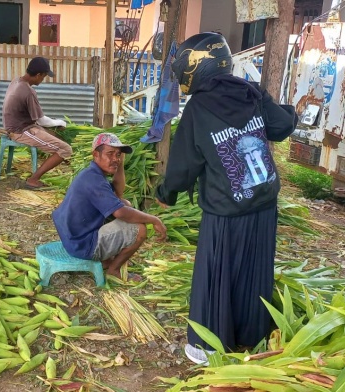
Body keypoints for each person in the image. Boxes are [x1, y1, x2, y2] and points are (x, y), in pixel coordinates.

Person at [154, 33, 298, 365]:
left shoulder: (199, 108)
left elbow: (183, 164)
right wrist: (278, 107)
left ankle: (207, 347)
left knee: (215, 275)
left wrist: (167, 194)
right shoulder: (250, 92)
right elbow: (280, 126)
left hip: (226, 209)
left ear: (196, 70)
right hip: (263, 202)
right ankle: (252, 335)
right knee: (254, 270)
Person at [52, 133, 167, 280]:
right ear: (96, 154)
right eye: (110, 154)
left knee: (126, 204)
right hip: (82, 245)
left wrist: (119, 164)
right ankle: (113, 270)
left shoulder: (93, 173)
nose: (115, 159)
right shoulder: (94, 180)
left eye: (118, 155)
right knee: (139, 229)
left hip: (74, 237)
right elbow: (120, 212)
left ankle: (106, 260)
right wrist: (154, 220)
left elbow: (118, 194)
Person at [2, 56, 73, 189]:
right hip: (20, 131)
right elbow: (41, 120)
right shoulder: (28, 91)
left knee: (55, 135)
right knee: (65, 149)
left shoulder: (17, 81)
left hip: (20, 125)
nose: (43, 79)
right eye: (44, 76)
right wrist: (60, 122)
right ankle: (33, 180)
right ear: (38, 74)